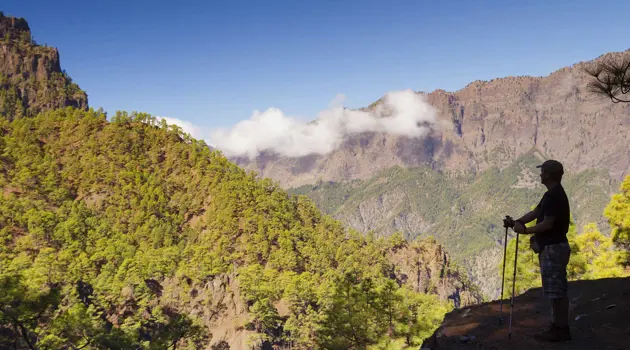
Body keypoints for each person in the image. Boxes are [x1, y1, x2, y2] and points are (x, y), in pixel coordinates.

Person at [505, 159, 572, 342]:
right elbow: (535, 213)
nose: (540, 175)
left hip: (553, 248)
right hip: (556, 247)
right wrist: (516, 222)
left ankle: (560, 329)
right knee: (556, 290)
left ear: (548, 175)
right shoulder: (552, 194)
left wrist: (525, 230)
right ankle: (558, 326)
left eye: (542, 172)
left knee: (556, 292)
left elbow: (547, 223)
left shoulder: (553, 196)